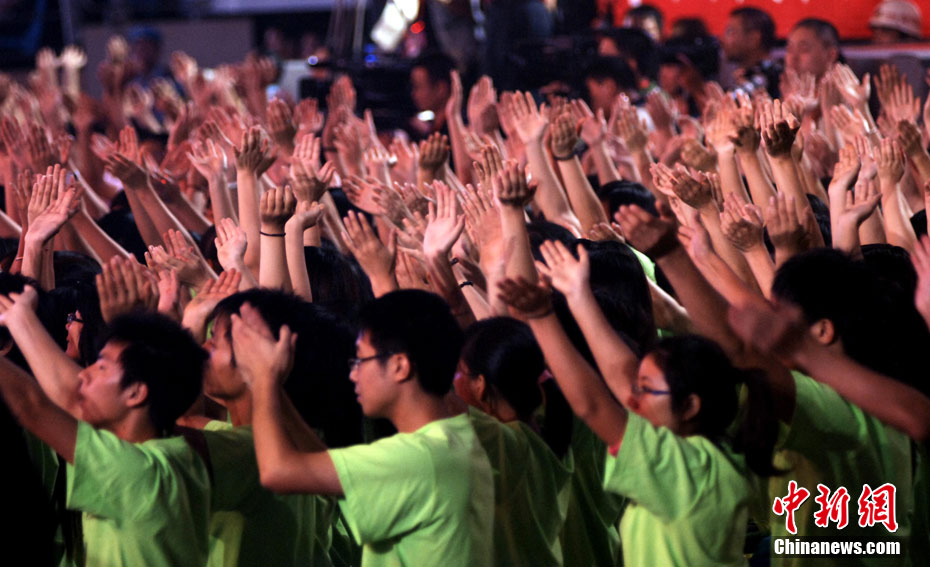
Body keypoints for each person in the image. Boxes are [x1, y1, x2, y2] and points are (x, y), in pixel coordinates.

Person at [498, 239, 781, 566]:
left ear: (689, 406)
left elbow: (593, 404)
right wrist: (575, 298)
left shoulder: (680, 465)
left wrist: (543, 316)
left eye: (646, 389)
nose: (632, 398)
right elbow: (621, 376)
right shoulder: (707, 453)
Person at [236, 289, 494, 567]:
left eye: (360, 360)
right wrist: (276, 388)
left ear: (400, 366)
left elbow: (277, 472)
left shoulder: (417, 458)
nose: (353, 374)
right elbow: (330, 474)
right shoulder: (450, 440)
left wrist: (262, 378)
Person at [0, 291, 211, 567]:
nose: (83, 375)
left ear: (136, 392)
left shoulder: (141, 474)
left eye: (101, 367)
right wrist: (19, 318)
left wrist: (20, 319)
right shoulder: (174, 456)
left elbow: (31, 404)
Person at [196, 287, 361, 567]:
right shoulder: (305, 445)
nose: (202, 350)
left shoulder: (246, 452)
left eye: (215, 340)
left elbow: (160, 425)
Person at [453, 317, 573, 566]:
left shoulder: (502, 442)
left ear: (480, 386)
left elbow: (433, 401)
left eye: (458, 373)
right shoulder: (548, 427)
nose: (453, 383)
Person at [722, 7, 782, 98]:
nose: (722, 39)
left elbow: (731, 101)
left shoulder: (767, 77)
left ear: (754, 38)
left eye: (731, 32)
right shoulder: (747, 74)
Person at [409, 51, 456, 136]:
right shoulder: (434, 129)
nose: (414, 94)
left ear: (441, 89)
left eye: (418, 87)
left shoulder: (456, 133)